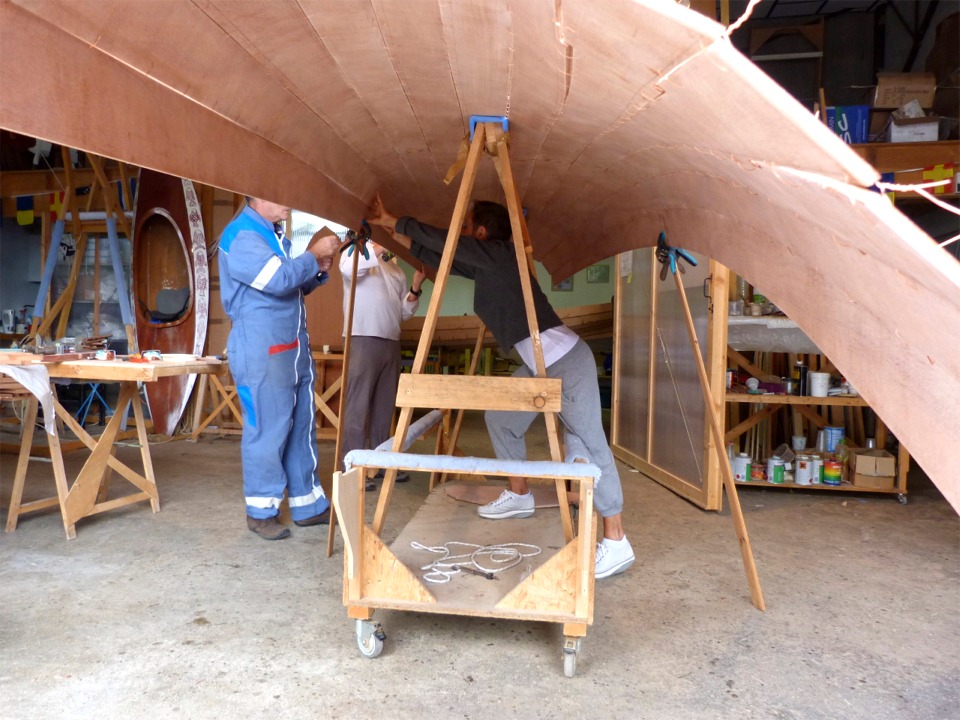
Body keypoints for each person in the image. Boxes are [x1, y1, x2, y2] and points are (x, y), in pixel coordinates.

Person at [366, 194, 635, 578]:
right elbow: (444, 256)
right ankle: (520, 494)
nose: (461, 233)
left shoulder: (502, 255)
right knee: (501, 418)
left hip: (567, 361)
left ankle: (616, 540)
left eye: (466, 226)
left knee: (590, 441)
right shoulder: (488, 266)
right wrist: (392, 230)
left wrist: (399, 217)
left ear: (481, 232)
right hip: (540, 362)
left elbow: (452, 244)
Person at [218, 197, 340, 540]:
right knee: (268, 431)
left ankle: (308, 505)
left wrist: (317, 271)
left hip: (289, 348)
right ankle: (261, 512)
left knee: (301, 427)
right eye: (281, 196)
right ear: (257, 195)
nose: (289, 204)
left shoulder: (272, 235)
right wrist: (312, 256)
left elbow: (293, 284)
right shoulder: (241, 235)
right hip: (262, 350)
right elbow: (277, 280)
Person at [339, 239, 426, 489]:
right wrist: (378, 245)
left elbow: (403, 313)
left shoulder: (395, 268)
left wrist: (416, 287)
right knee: (357, 405)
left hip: (390, 340)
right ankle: (352, 469)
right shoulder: (354, 251)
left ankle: (379, 465)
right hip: (361, 336)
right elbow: (348, 270)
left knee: (384, 407)